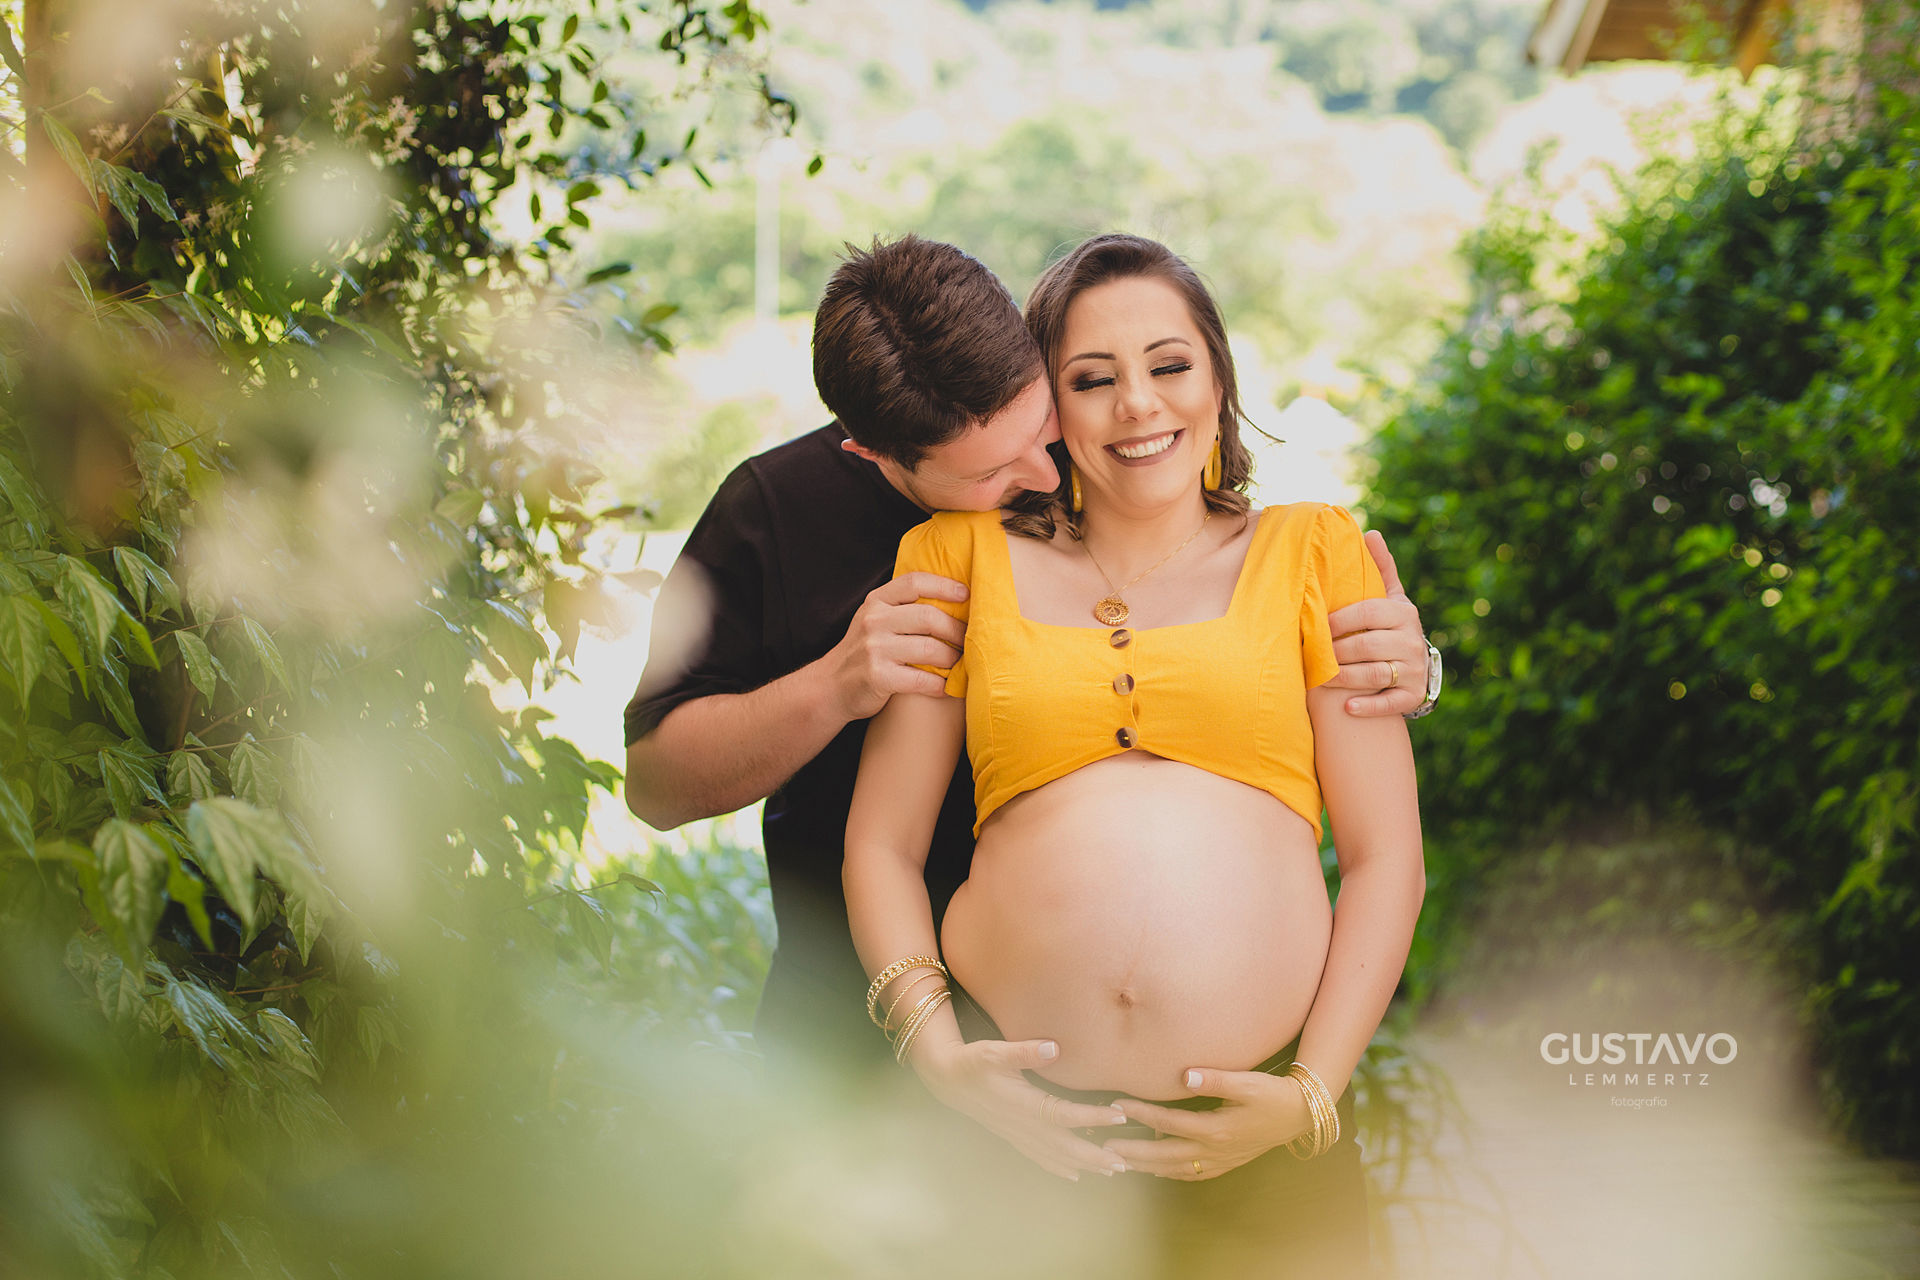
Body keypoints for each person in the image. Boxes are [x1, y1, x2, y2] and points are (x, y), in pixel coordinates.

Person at [622, 236, 1439, 1122]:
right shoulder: (816, 521)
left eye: (1038, 424)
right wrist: (837, 686)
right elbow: (664, 788)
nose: (1043, 476)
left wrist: (1417, 670)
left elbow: (1374, 833)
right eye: (992, 469)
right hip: (878, 1042)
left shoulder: (1286, 541)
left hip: (1234, 1084)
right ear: (871, 455)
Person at [842, 233, 1425, 1276]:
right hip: (1018, 1136)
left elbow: (1387, 859)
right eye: (1092, 380)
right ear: (1048, 408)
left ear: (1218, 377)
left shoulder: (1316, 551)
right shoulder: (956, 556)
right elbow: (881, 842)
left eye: (1170, 364)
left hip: (1259, 1134)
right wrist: (937, 1058)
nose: (1139, 406)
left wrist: (1311, 1095)